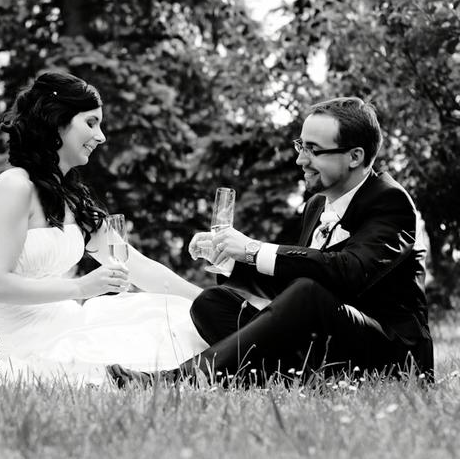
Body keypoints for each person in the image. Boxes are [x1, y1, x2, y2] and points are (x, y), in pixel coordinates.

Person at [108, 97, 434, 387]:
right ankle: (286, 376)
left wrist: (251, 248)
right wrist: (232, 259)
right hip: (326, 343)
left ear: (355, 156)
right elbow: (295, 280)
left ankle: (182, 378)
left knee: (307, 292)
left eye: (313, 150)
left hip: (389, 353)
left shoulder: (391, 201)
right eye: (300, 146)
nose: (300, 160)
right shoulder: (316, 206)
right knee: (213, 302)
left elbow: (348, 273)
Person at [0, 71, 208, 384]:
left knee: (172, 315)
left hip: (66, 322)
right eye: (91, 123)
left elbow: (139, 267)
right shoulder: (14, 186)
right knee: (139, 345)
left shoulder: (70, 199)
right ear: (57, 123)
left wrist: (211, 303)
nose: (101, 137)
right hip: (21, 342)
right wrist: (82, 288)